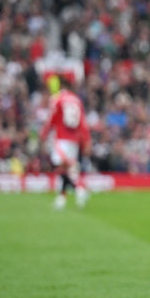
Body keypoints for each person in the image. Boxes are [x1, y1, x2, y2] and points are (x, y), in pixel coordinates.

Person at [40, 75, 91, 210]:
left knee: (58, 165)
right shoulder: (76, 99)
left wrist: (44, 134)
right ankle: (62, 199)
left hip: (61, 138)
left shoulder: (57, 99)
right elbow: (82, 123)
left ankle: (80, 189)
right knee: (69, 168)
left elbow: (51, 119)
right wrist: (86, 140)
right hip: (74, 139)